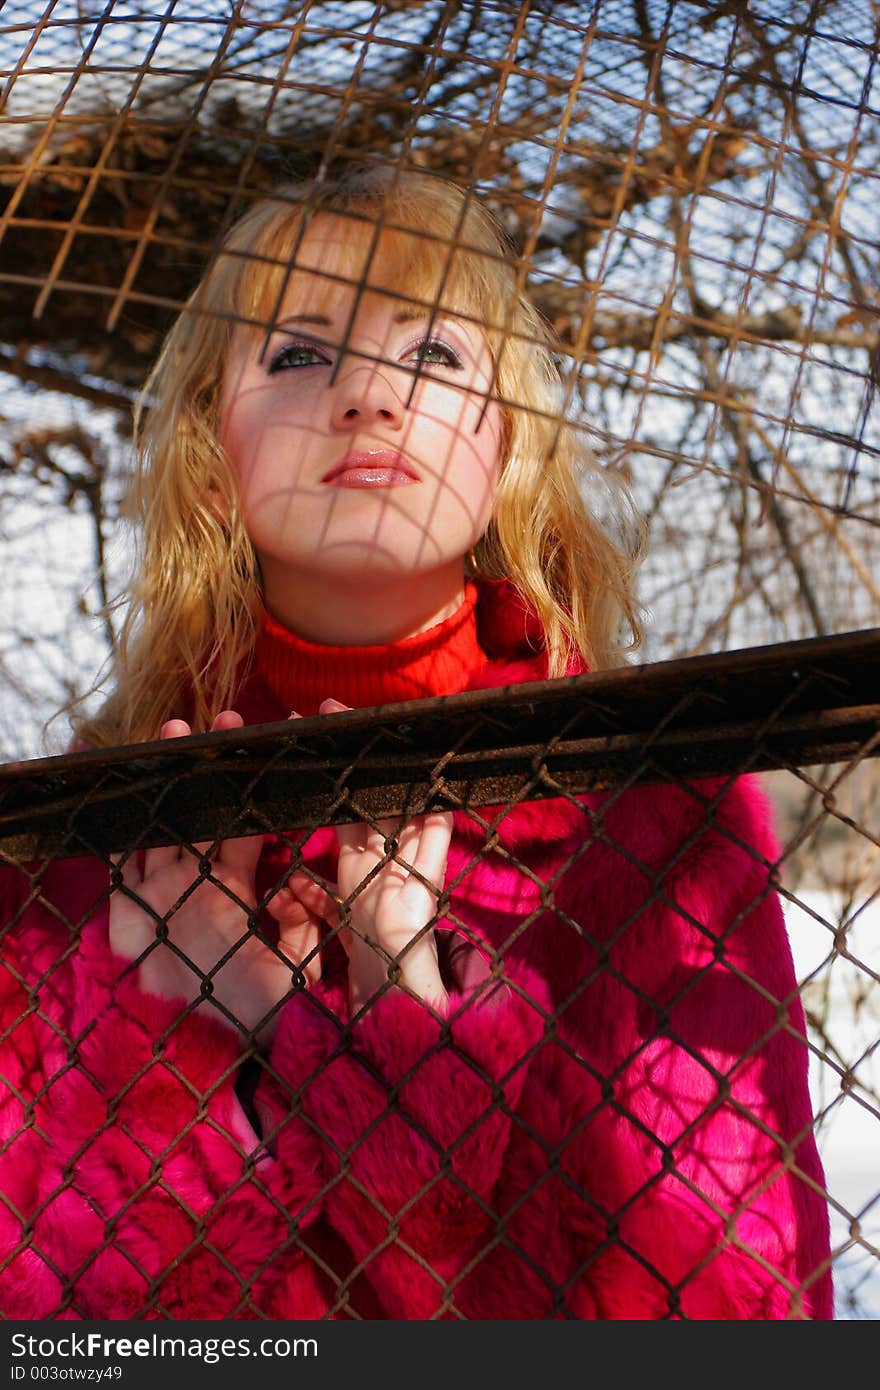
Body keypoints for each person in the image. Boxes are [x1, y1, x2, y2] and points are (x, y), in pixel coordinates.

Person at [0, 163, 833, 1320]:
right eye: (297, 353)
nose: (368, 399)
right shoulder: (73, 847)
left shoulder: (650, 806)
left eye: (432, 353)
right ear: (211, 436)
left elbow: (732, 1297)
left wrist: (402, 1029)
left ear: (508, 439)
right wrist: (179, 1054)